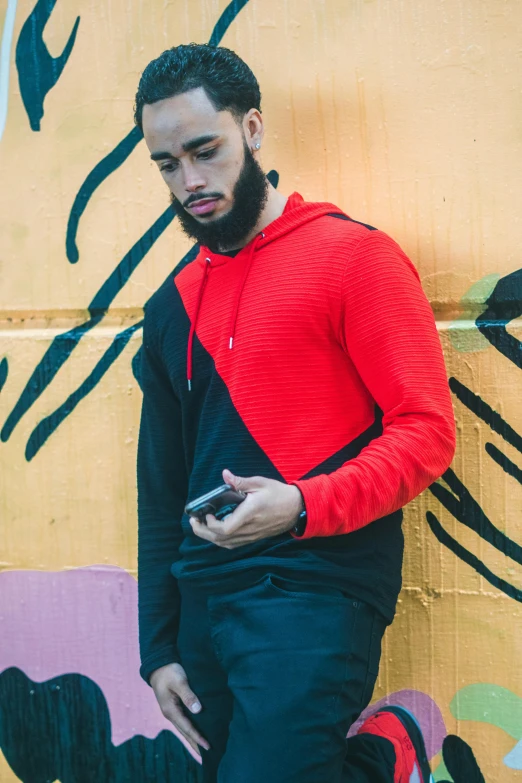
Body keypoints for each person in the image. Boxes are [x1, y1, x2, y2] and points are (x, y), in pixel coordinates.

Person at [134, 43, 454, 783]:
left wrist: (302, 503)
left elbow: (427, 431)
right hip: (205, 595)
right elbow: (160, 487)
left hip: (318, 583)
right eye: (167, 164)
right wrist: (157, 649)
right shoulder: (169, 307)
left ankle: (384, 756)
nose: (189, 182)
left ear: (251, 128)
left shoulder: (355, 259)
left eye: (204, 151)